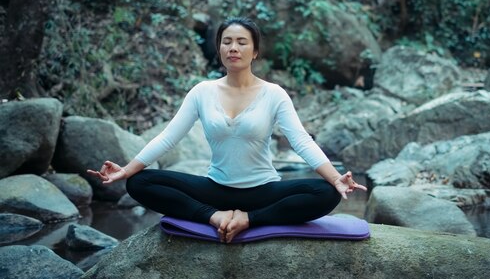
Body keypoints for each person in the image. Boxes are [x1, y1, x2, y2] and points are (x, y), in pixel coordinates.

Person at [88, 16, 367, 243]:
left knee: (327, 193)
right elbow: (168, 136)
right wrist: (127, 169)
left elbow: (301, 141)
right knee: (139, 183)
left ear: (254, 51)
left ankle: (248, 219)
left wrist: (335, 177)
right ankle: (214, 217)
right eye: (227, 42)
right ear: (220, 49)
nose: (233, 48)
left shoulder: (274, 94)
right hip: (215, 189)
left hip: (263, 191)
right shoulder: (202, 92)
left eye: (242, 42)